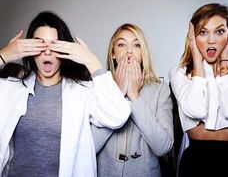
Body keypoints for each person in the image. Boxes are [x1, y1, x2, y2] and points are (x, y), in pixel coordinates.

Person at [0, 11, 131, 177]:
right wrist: (4, 55)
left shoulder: (82, 92)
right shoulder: (11, 88)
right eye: (40, 44)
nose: (47, 51)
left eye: (54, 45)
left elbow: (118, 115)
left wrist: (91, 61)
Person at [92, 23, 174, 177]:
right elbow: (89, 147)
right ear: (113, 53)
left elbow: (163, 147)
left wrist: (135, 96)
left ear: (143, 53)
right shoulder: (97, 88)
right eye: (122, 44)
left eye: (136, 45)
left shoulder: (160, 90)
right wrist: (118, 94)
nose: (129, 51)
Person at [169, 3, 228, 177]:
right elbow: (196, 110)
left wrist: (226, 63)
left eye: (220, 31)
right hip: (197, 161)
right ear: (193, 37)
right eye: (203, 32)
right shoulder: (180, 73)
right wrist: (197, 62)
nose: (211, 40)